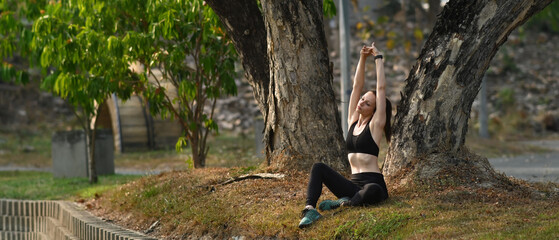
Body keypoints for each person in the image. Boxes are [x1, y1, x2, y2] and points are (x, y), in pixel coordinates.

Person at [298, 42, 392, 228]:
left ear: (374, 111)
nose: (361, 103)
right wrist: (362, 58)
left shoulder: (375, 125)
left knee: (373, 190)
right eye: (362, 99)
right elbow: (357, 85)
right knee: (318, 167)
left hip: (372, 186)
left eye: (367, 104)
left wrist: (378, 58)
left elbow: (381, 90)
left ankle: (344, 204)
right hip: (353, 186)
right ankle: (310, 209)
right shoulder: (352, 121)